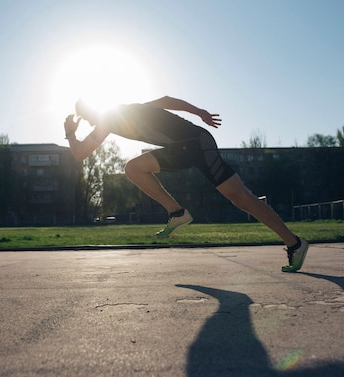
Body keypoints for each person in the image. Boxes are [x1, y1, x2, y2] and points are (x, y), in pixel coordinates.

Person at [64, 96, 309, 272]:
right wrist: (199, 112)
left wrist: (70, 132)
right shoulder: (127, 110)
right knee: (241, 197)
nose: (91, 123)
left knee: (241, 197)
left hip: (194, 144)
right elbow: (167, 100)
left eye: (88, 117)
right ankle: (295, 244)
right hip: (190, 145)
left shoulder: (108, 119)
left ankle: (178, 212)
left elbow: (80, 154)